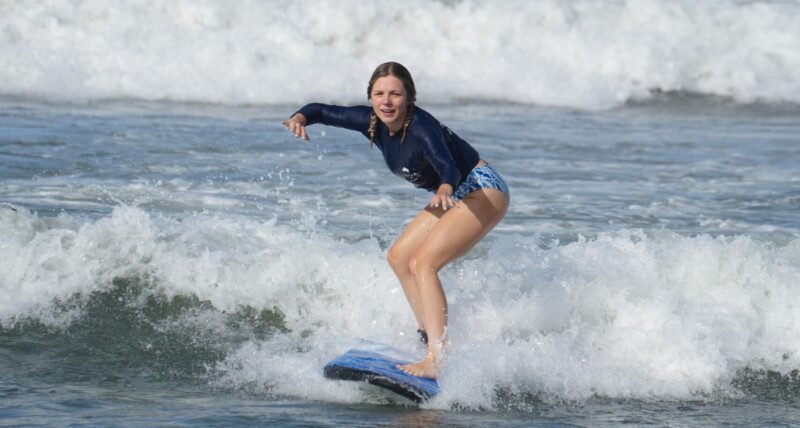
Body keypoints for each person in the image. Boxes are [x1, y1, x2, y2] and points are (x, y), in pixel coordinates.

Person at [283, 62, 509, 379]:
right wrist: (299, 118)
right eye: (379, 94)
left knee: (424, 263)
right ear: (371, 97)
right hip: (452, 196)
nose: (386, 101)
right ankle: (427, 337)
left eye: (395, 94)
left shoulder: (421, 128)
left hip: (481, 189)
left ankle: (437, 358)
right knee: (399, 257)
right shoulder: (371, 121)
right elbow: (321, 110)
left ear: (409, 98)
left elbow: (448, 166)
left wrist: (445, 186)